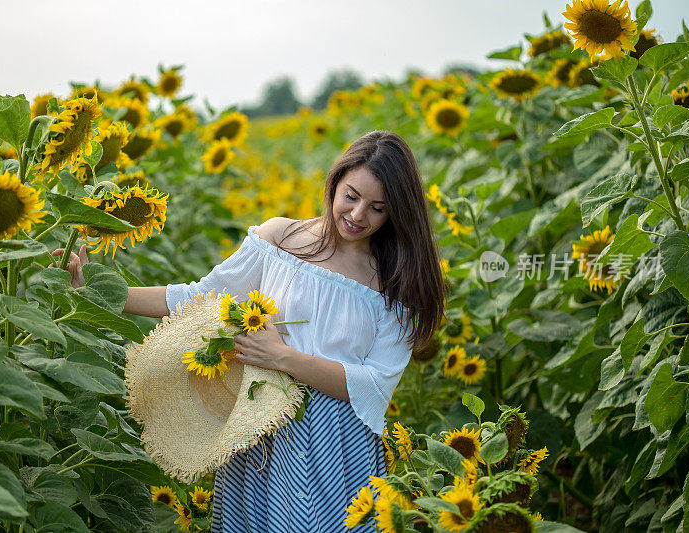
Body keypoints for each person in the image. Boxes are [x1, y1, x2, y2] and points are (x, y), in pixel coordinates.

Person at [53, 130, 448, 532]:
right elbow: (199, 297)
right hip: (259, 424)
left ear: (395, 212)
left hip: (337, 442)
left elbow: (374, 386)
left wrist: (283, 356)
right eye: (351, 195)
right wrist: (94, 293)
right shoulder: (281, 238)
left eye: (378, 208)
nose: (358, 215)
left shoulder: (397, 284)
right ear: (335, 181)